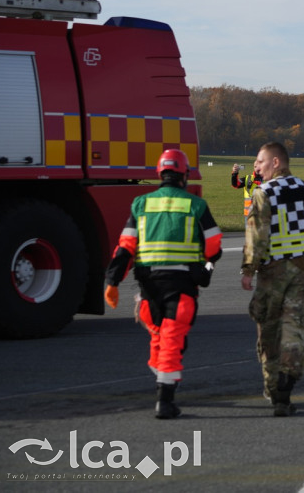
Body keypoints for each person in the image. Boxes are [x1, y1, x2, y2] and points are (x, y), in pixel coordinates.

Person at [104, 149, 222, 419]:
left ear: (160, 173)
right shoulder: (196, 205)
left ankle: (163, 381)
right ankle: (165, 400)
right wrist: (206, 262)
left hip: (148, 289)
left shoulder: (140, 204)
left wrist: (112, 281)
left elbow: (125, 248)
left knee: (159, 338)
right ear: (184, 174)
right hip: (181, 287)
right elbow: (214, 244)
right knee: (172, 341)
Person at [241, 142, 304, 416]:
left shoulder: (263, 192)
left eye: (260, 161)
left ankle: (273, 387)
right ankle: (285, 386)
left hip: (273, 272)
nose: (257, 167)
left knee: (269, 329)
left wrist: (248, 269)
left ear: (276, 163)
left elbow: (257, 234)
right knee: (295, 328)